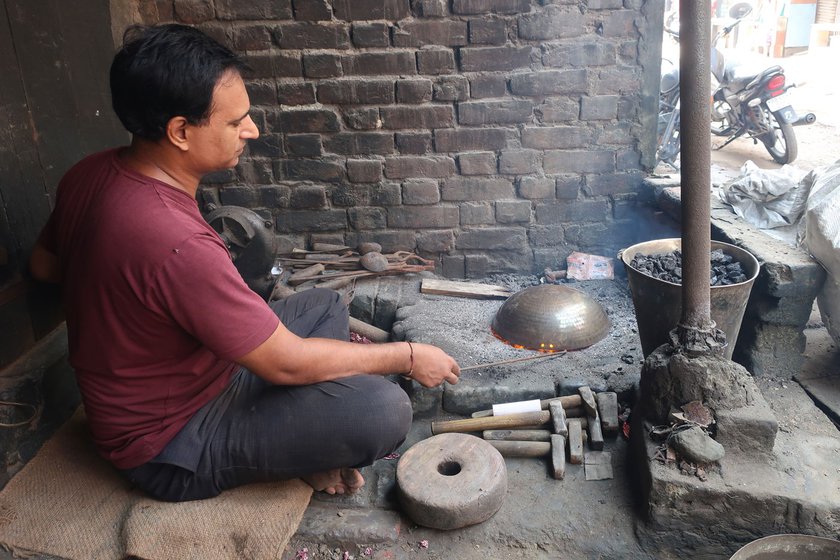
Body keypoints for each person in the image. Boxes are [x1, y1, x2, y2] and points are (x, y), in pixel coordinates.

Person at [29, 24, 461, 502]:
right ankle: (307, 450)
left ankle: (298, 436)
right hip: (168, 442)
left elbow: (45, 266)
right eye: (236, 122)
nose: (251, 131)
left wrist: (128, 301)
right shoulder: (177, 243)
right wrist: (408, 355)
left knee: (323, 305)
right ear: (180, 131)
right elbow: (286, 364)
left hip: (197, 369)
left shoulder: (88, 173)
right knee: (382, 410)